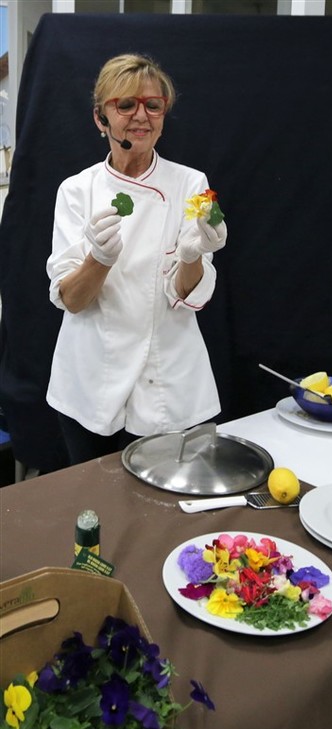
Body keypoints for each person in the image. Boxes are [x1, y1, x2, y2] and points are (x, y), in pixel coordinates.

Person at [46, 53, 227, 465]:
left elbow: (185, 295)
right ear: (101, 118)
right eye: (125, 105)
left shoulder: (190, 183)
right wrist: (100, 258)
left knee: (165, 501)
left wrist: (193, 254)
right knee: (93, 495)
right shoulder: (77, 191)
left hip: (165, 379)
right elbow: (72, 299)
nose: (141, 116)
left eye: (153, 105)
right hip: (92, 378)